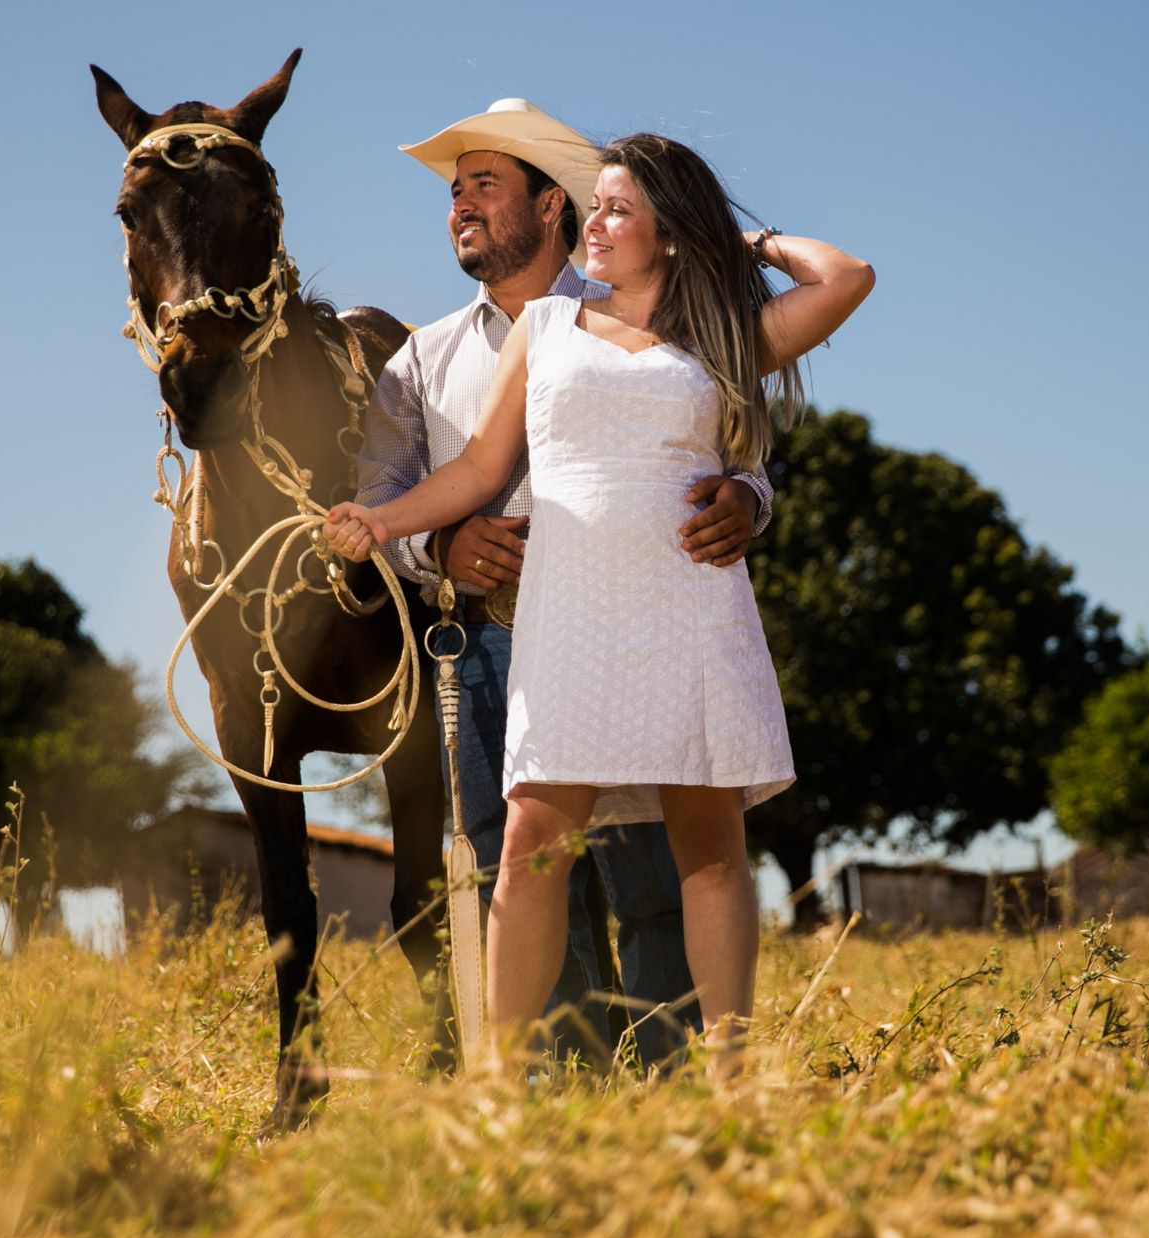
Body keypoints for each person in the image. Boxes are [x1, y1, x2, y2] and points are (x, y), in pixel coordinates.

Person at [331, 130, 873, 1075]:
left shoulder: (719, 338)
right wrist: (381, 525)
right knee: (535, 838)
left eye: (620, 208)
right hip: (568, 617)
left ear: (670, 235)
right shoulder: (544, 327)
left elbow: (846, 277)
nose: (598, 222)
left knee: (707, 846)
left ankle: (729, 1073)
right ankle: (502, 1081)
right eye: (598, 205)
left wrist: (740, 245)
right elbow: (476, 470)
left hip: (688, 610)